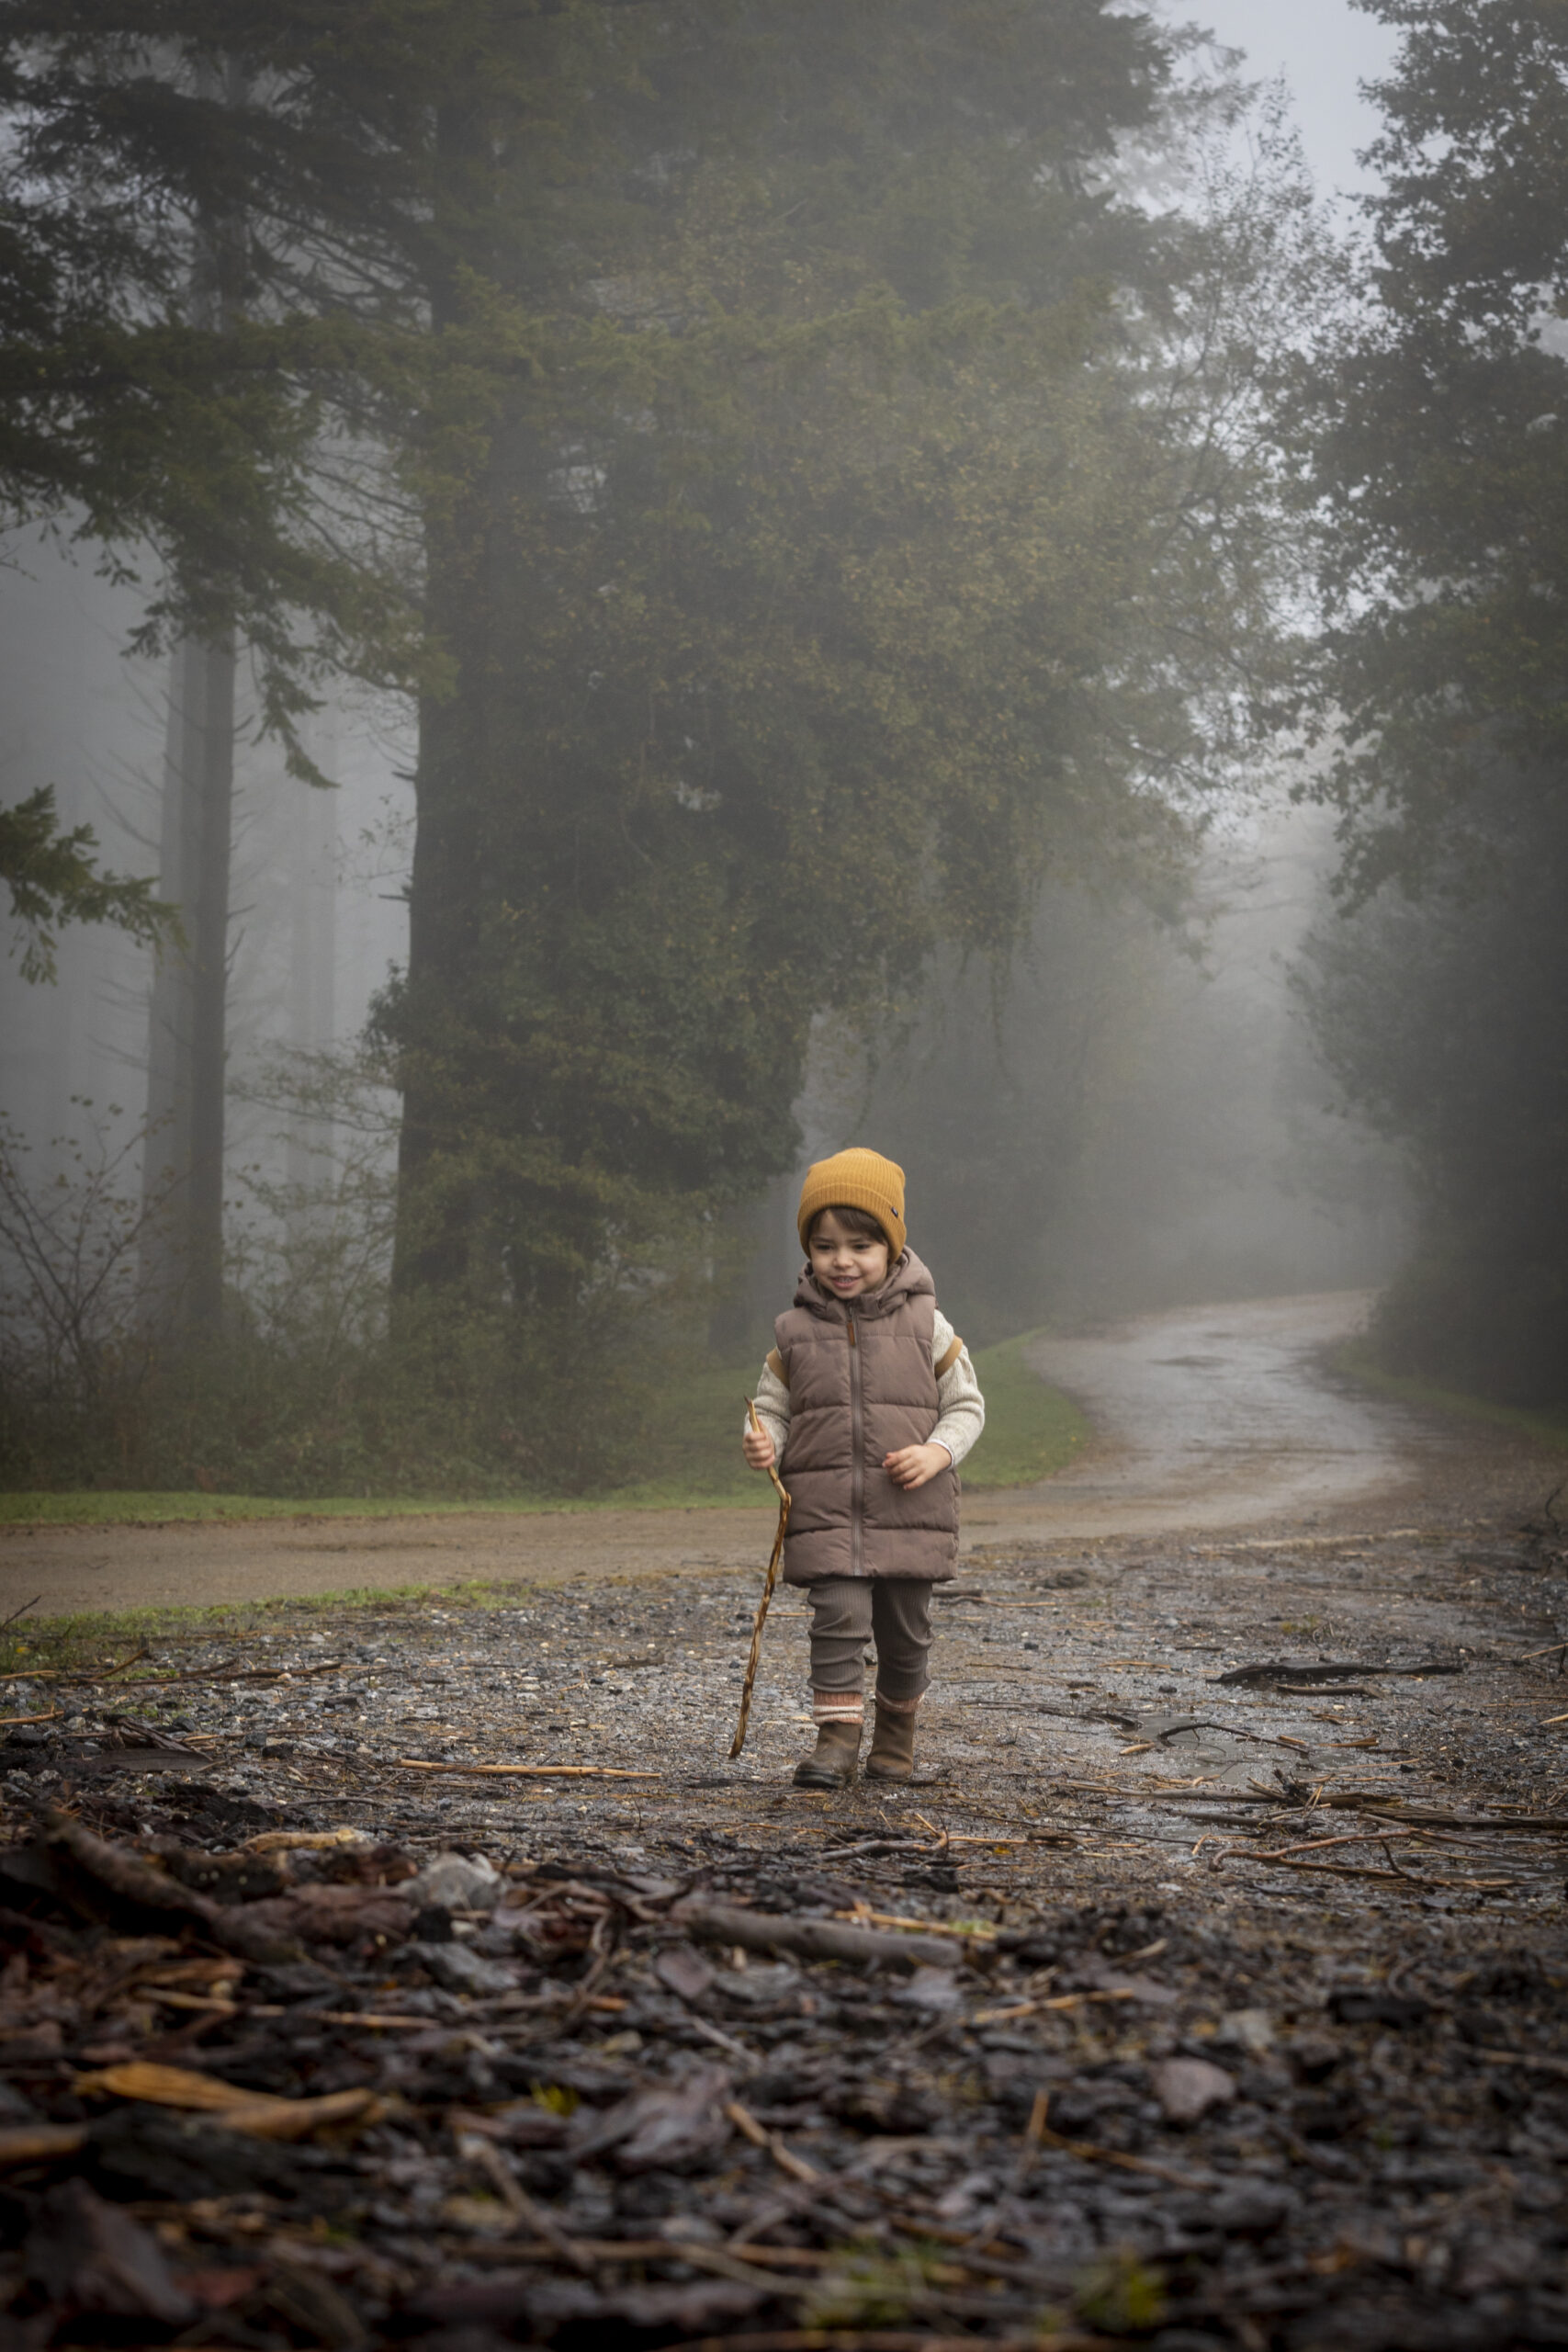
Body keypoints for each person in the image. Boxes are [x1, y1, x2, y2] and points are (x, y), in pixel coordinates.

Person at [741, 1147, 985, 1788]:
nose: (841, 1261)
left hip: (911, 1512)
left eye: (859, 1245)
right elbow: (772, 1409)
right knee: (838, 1623)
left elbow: (966, 1406)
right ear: (808, 1251)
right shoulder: (792, 1334)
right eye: (824, 1247)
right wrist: (762, 1438)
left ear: (891, 1247)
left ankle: (895, 1745)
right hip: (824, 1514)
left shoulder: (928, 1326)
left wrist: (936, 1452)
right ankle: (836, 1742)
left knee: (906, 1637)